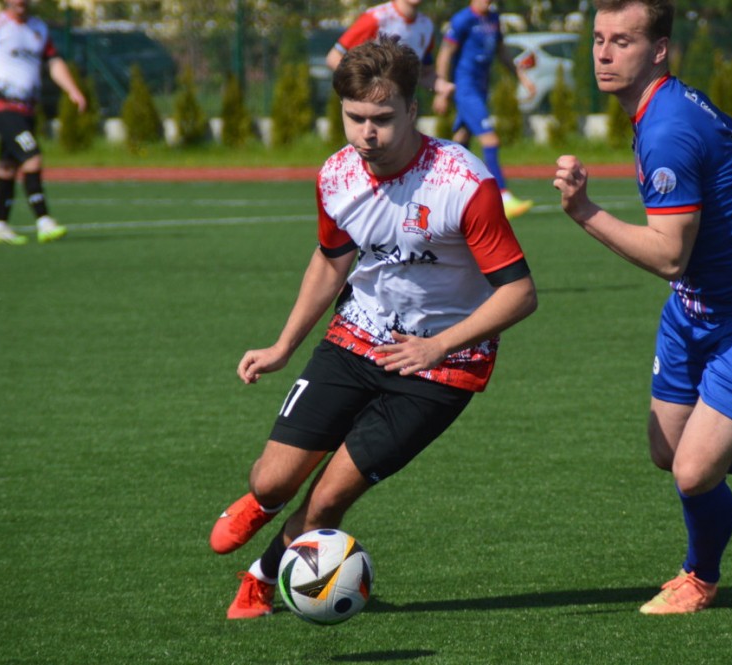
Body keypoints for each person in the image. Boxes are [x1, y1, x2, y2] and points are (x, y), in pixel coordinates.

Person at [209, 37, 537, 620]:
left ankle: (262, 576)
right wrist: (283, 345)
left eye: (382, 119)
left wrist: (437, 345)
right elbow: (330, 260)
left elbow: (519, 293)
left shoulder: (464, 183)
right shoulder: (337, 175)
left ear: (412, 110)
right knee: (272, 480)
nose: (367, 133)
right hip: (355, 338)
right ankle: (265, 500)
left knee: (328, 499)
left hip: (442, 368)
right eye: (354, 117)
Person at [553, 0, 732, 615]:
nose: (603, 53)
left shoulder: (666, 127)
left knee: (694, 471)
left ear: (658, 50)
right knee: (668, 451)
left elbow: (670, 256)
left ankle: (699, 579)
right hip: (697, 306)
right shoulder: (680, 99)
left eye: (622, 41)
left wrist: (584, 212)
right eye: (598, 39)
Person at [0, 0, 86, 246]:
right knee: (32, 155)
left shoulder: (39, 28)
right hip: (2, 103)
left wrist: (73, 90)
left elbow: (54, 62)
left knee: (8, 166)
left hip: (26, 107)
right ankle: (44, 221)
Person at [434, 0, 536, 220]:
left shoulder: (493, 19)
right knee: (491, 141)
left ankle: (443, 192)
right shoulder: (462, 20)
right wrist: (441, 90)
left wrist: (522, 79)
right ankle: (503, 197)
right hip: (466, 89)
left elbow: (502, 52)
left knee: (460, 140)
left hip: (481, 89)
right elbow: (445, 53)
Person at [325, 0, 452, 99]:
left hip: (403, 106)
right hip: (374, 107)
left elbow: (424, 73)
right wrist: (364, 87)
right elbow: (334, 58)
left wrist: (443, 87)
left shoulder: (426, 25)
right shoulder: (376, 17)